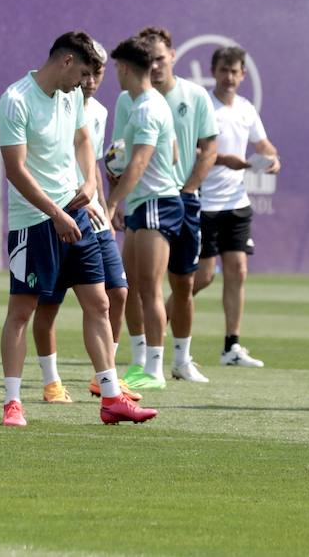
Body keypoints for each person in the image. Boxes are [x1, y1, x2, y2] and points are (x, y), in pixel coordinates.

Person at [0, 32, 156, 427]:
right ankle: (13, 403)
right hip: (34, 222)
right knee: (23, 310)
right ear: (66, 61)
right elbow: (15, 170)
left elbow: (84, 139)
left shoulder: (72, 98)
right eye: (83, 73)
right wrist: (54, 212)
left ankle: (112, 397)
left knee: (100, 303)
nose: (87, 83)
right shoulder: (15, 100)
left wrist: (88, 182)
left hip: (77, 214)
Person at [29, 41, 136, 404]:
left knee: (116, 293)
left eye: (98, 73)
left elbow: (92, 162)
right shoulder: (52, 100)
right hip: (57, 212)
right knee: (48, 304)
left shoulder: (100, 111)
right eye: (86, 73)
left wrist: (105, 205)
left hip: (92, 212)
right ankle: (52, 381)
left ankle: (104, 377)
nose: (90, 81)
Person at [131, 26, 216, 386]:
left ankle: (181, 359)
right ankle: (142, 362)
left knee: (184, 282)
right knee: (140, 283)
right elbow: (123, 149)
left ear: (174, 56)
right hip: (148, 200)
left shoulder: (194, 96)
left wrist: (189, 187)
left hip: (185, 199)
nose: (155, 66)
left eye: (161, 59)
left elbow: (209, 147)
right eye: (148, 60)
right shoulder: (132, 98)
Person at [103, 36, 184, 394]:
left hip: (157, 202)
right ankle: (139, 363)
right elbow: (173, 153)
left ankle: (155, 368)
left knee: (150, 288)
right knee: (132, 285)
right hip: (141, 203)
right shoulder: (140, 105)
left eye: (115, 69)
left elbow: (140, 163)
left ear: (123, 68)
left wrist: (111, 203)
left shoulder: (150, 108)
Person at [195, 45, 280, 367]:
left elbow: (263, 144)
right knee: (202, 277)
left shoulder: (245, 108)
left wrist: (272, 160)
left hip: (236, 203)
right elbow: (190, 150)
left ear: (243, 75)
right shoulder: (204, 105)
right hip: (205, 203)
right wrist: (222, 160)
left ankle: (232, 346)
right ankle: (157, 326)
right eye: (223, 70)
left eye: (235, 71)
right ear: (213, 72)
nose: (229, 77)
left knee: (238, 270)